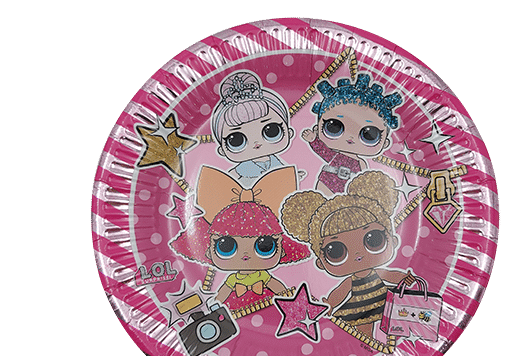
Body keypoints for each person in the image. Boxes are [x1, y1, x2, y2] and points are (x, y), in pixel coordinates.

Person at [281, 171, 414, 339]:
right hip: (359, 306)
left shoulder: (378, 272)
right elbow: (341, 291)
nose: (358, 255)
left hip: (384, 298)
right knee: (364, 331)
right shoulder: (352, 281)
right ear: (321, 262)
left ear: (392, 240)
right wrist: (330, 303)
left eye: (373, 240)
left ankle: (393, 344)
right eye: (336, 251)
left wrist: (404, 279)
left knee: (395, 323)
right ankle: (374, 346)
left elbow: (391, 275)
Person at [170, 166, 309, 311]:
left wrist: (288, 299)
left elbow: (277, 287)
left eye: (265, 246)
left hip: (267, 305)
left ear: (282, 248)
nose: (246, 255)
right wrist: (214, 305)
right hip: (236, 310)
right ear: (209, 250)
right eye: (226, 247)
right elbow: (223, 293)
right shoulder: (234, 279)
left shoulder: (262, 276)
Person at [301, 74, 403, 196]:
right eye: (334, 127)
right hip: (327, 184)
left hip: (349, 191)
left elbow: (364, 179)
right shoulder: (336, 156)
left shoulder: (362, 164)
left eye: (369, 135)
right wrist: (313, 140)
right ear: (318, 128)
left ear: (385, 143)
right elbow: (323, 151)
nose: (350, 137)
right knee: (321, 200)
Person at [212, 70, 304, 188]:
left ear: (289, 132)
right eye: (236, 141)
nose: (256, 143)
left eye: (271, 131)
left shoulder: (275, 163)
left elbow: (283, 175)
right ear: (222, 150)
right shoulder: (241, 171)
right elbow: (228, 181)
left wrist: (293, 177)